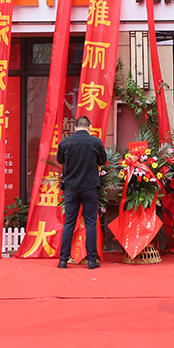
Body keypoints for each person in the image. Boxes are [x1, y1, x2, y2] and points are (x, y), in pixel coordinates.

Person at [56, 115, 107, 269]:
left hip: (71, 188)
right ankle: (91, 260)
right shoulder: (95, 142)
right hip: (90, 188)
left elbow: (60, 160)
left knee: (69, 223)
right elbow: (103, 160)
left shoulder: (65, 142)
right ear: (89, 127)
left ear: (75, 128)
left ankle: (63, 260)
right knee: (90, 222)